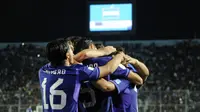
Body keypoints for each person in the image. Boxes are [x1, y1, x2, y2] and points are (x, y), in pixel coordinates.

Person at [38, 38, 125, 112]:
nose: (74, 53)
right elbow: (109, 69)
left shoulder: (43, 70)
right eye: (71, 50)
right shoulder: (77, 71)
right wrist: (119, 55)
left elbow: (64, 60)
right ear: (68, 56)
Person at [73, 38, 144, 112]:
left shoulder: (73, 67)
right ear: (91, 46)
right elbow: (139, 80)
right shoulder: (108, 61)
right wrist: (120, 56)